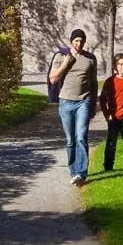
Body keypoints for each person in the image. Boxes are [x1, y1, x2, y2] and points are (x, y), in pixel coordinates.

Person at [48, 28, 99, 187]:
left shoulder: (90, 58)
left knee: (81, 137)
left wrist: (93, 106)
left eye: (82, 41)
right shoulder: (61, 56)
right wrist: (65, 64)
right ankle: (74, 170)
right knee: (70, 140)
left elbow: (94, 83)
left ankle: (81, 173)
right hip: (66, 102)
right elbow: (53, 79)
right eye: (76, 40)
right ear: (71, 41)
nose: (79, 44)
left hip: (83, 101)